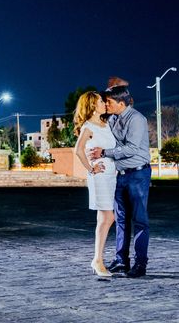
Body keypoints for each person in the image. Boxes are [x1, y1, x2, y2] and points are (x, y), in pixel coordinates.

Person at [89, 84, 151, 278]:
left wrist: (105, 152)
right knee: (121, 219)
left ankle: (140, 263)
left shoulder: (137, 119)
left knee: (139, 220)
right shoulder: (112, 119)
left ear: (121, 103)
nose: (106, 105)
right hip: (120, 175)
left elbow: (132, 148)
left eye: (109, 102)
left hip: (138, 175)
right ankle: (121, 260)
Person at [73, 91, 116, 278]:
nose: (104, 103)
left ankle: (98, 259)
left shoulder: (106, 124)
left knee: (106, 217)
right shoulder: (89, 126)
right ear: (92, 105)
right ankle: (97, 259)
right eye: (100, 101)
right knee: (108, 216)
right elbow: (78, 150)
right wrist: (90, 169)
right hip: (99, 177)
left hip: (112, 175)